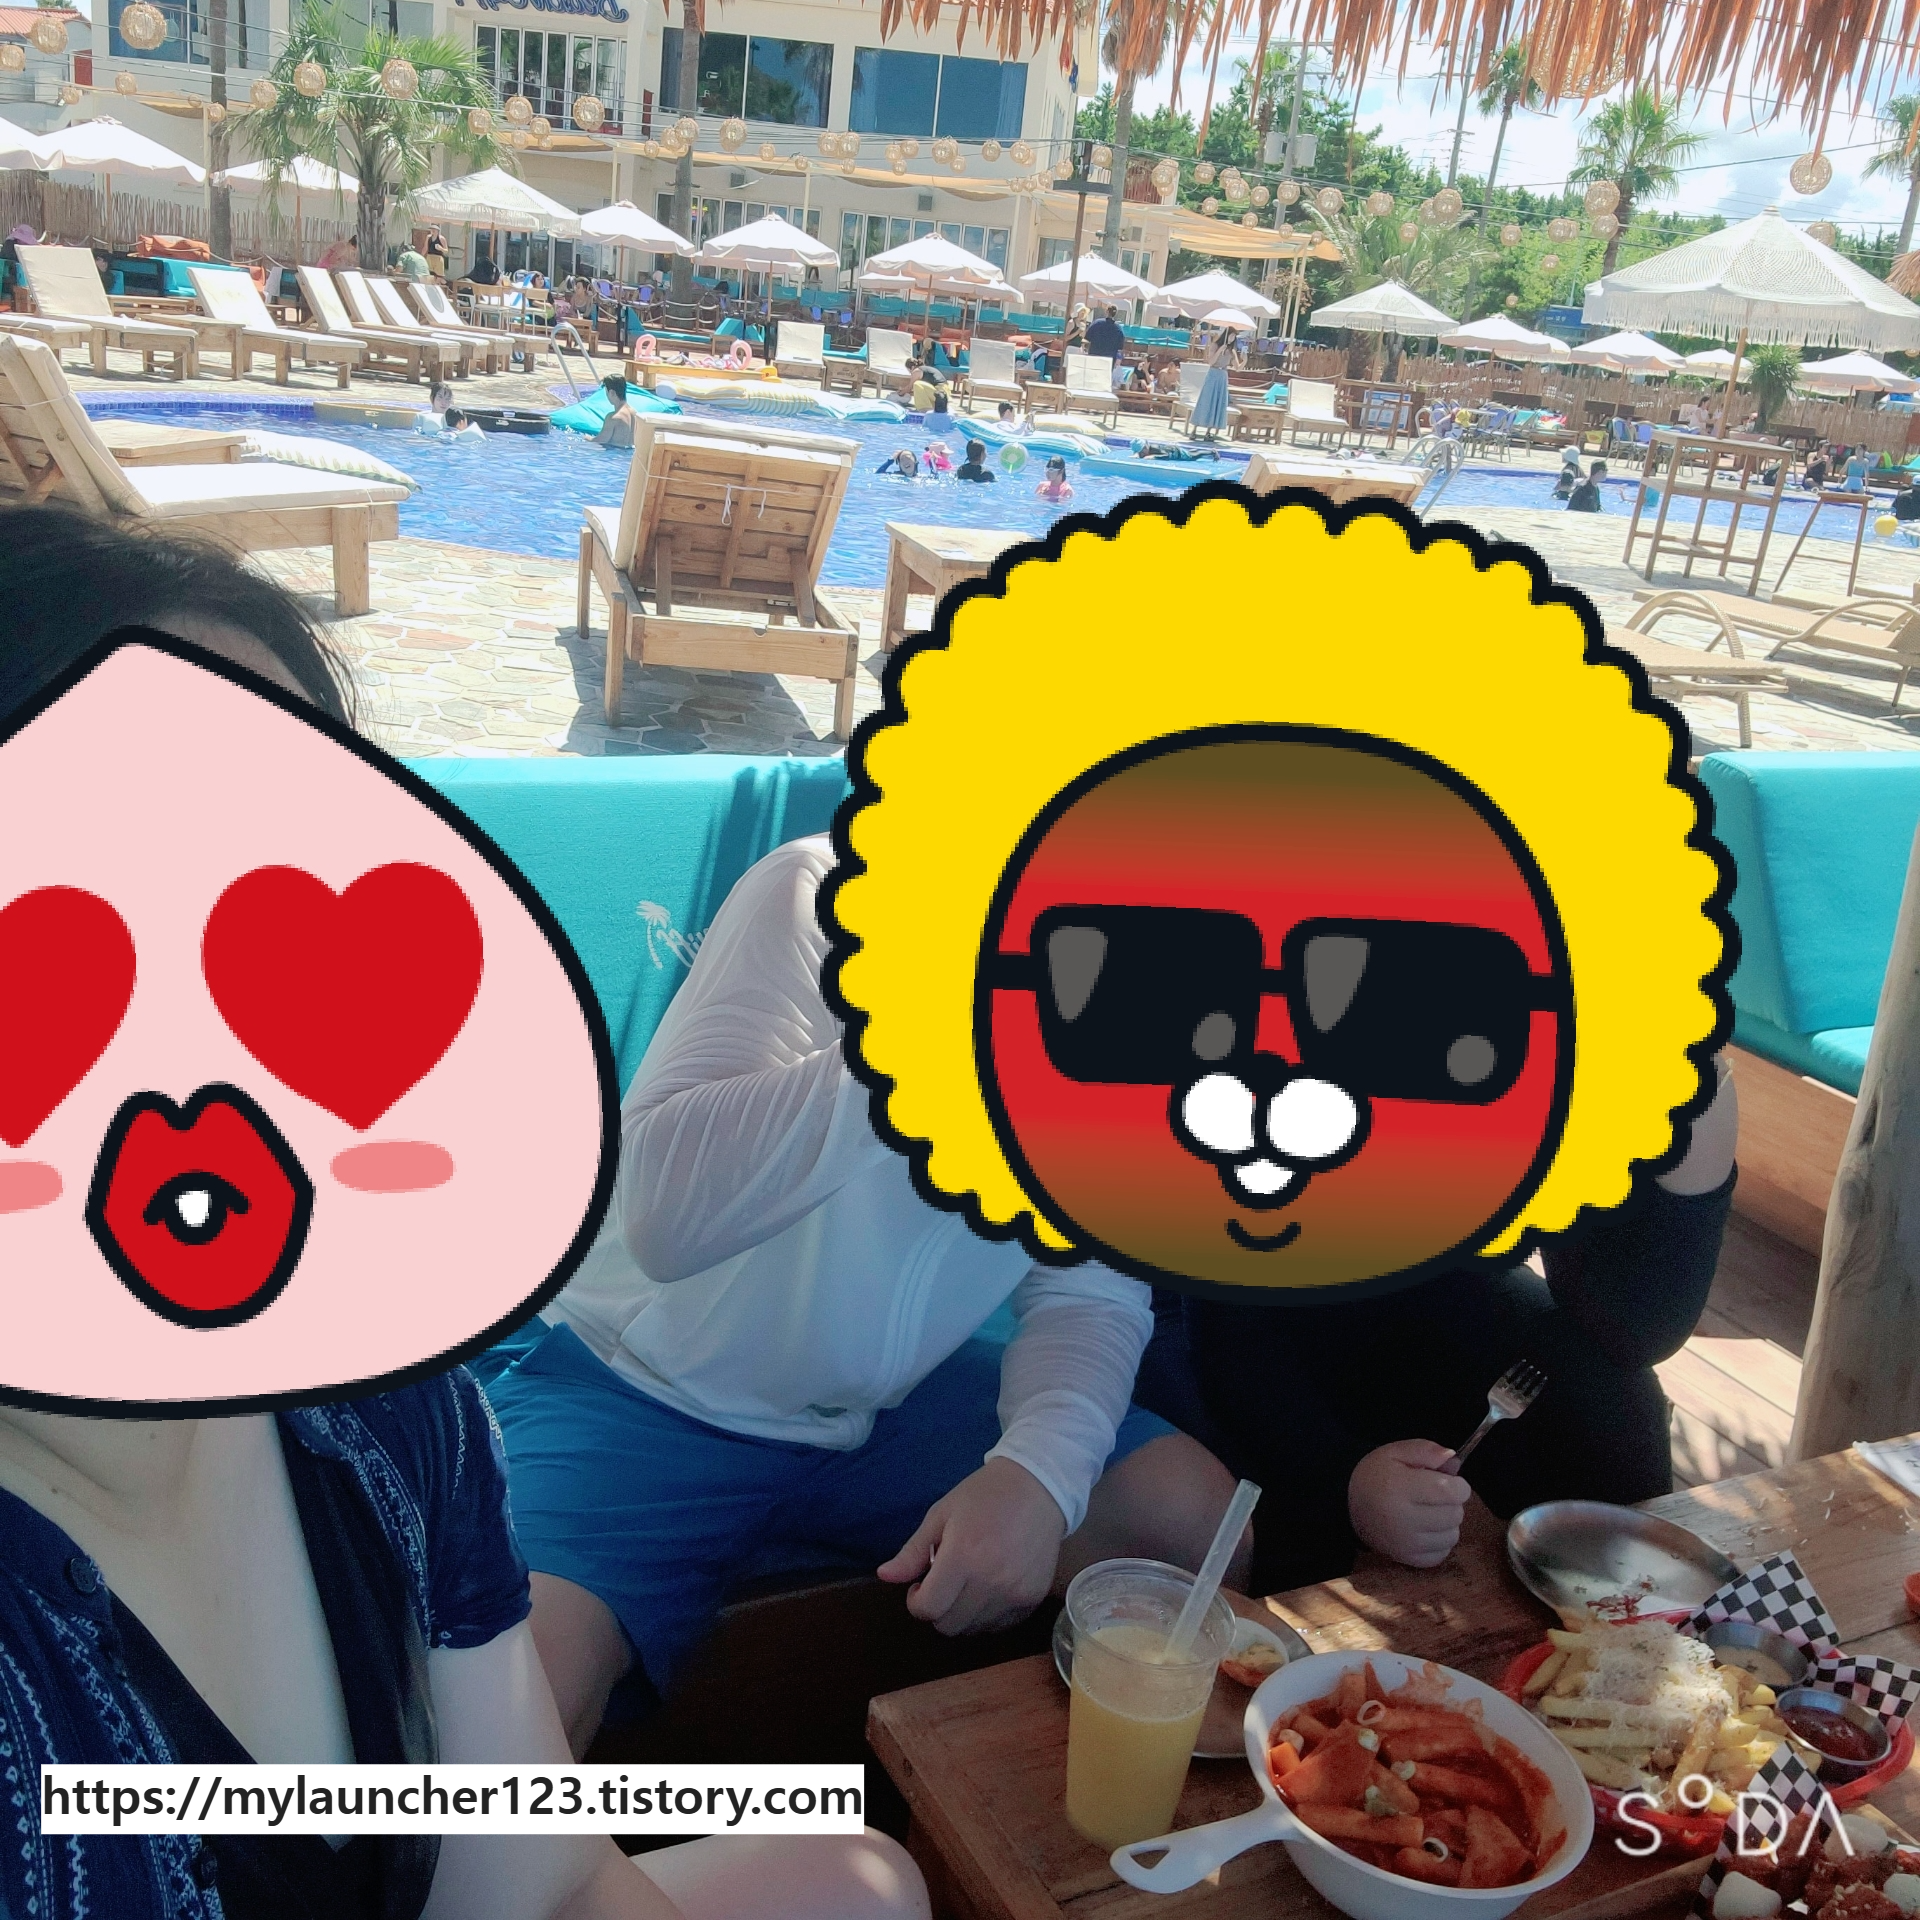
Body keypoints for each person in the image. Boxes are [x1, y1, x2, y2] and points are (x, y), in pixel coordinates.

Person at [0, 502, 935, 1920]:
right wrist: (918, 1048)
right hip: (653, 1390)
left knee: (864, 1881)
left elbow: (543, 1881)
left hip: (865, 1421)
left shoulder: (385, 1402)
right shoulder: (815, 908)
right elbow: (668, 1214)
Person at [480, 830, 1253, 1755]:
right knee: (506, 1729)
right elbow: (663, 1214)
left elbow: (1090, 1289)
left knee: (1190, 1527)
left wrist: (1037, 1476)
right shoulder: (820, 892)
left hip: (883, 1408)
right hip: (634, 1389)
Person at [1134, 1056, 1738, 1594]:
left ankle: (1632, 1640)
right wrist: (1345, 1481)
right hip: (1211, 1304)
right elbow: (1229, 1330)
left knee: (1611, 1410)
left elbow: (1629, 1330)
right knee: (1269, 1530)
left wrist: (1687, 1134)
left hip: (1422, 1285)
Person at [1188, 323, 1239, 442]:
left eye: (1234, 337)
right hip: (1213, 373)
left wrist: (1244, 360)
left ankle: (1209, 431)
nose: (1232, 339)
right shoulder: (1215, 345)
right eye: (1231, 336)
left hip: (1222, 376)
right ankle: (1194, 429)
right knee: (1206, 400)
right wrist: (1220, 350)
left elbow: (1237, 368)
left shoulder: (1232, 351)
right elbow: (1211, 362)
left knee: (1217, 403)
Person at [595, 374, 638, 450]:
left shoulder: (613, 418)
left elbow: (599, 440)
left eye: (606, 392)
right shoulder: (634, 413)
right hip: (629, 453)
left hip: (614, 454)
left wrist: (586, 438)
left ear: (612, 393)